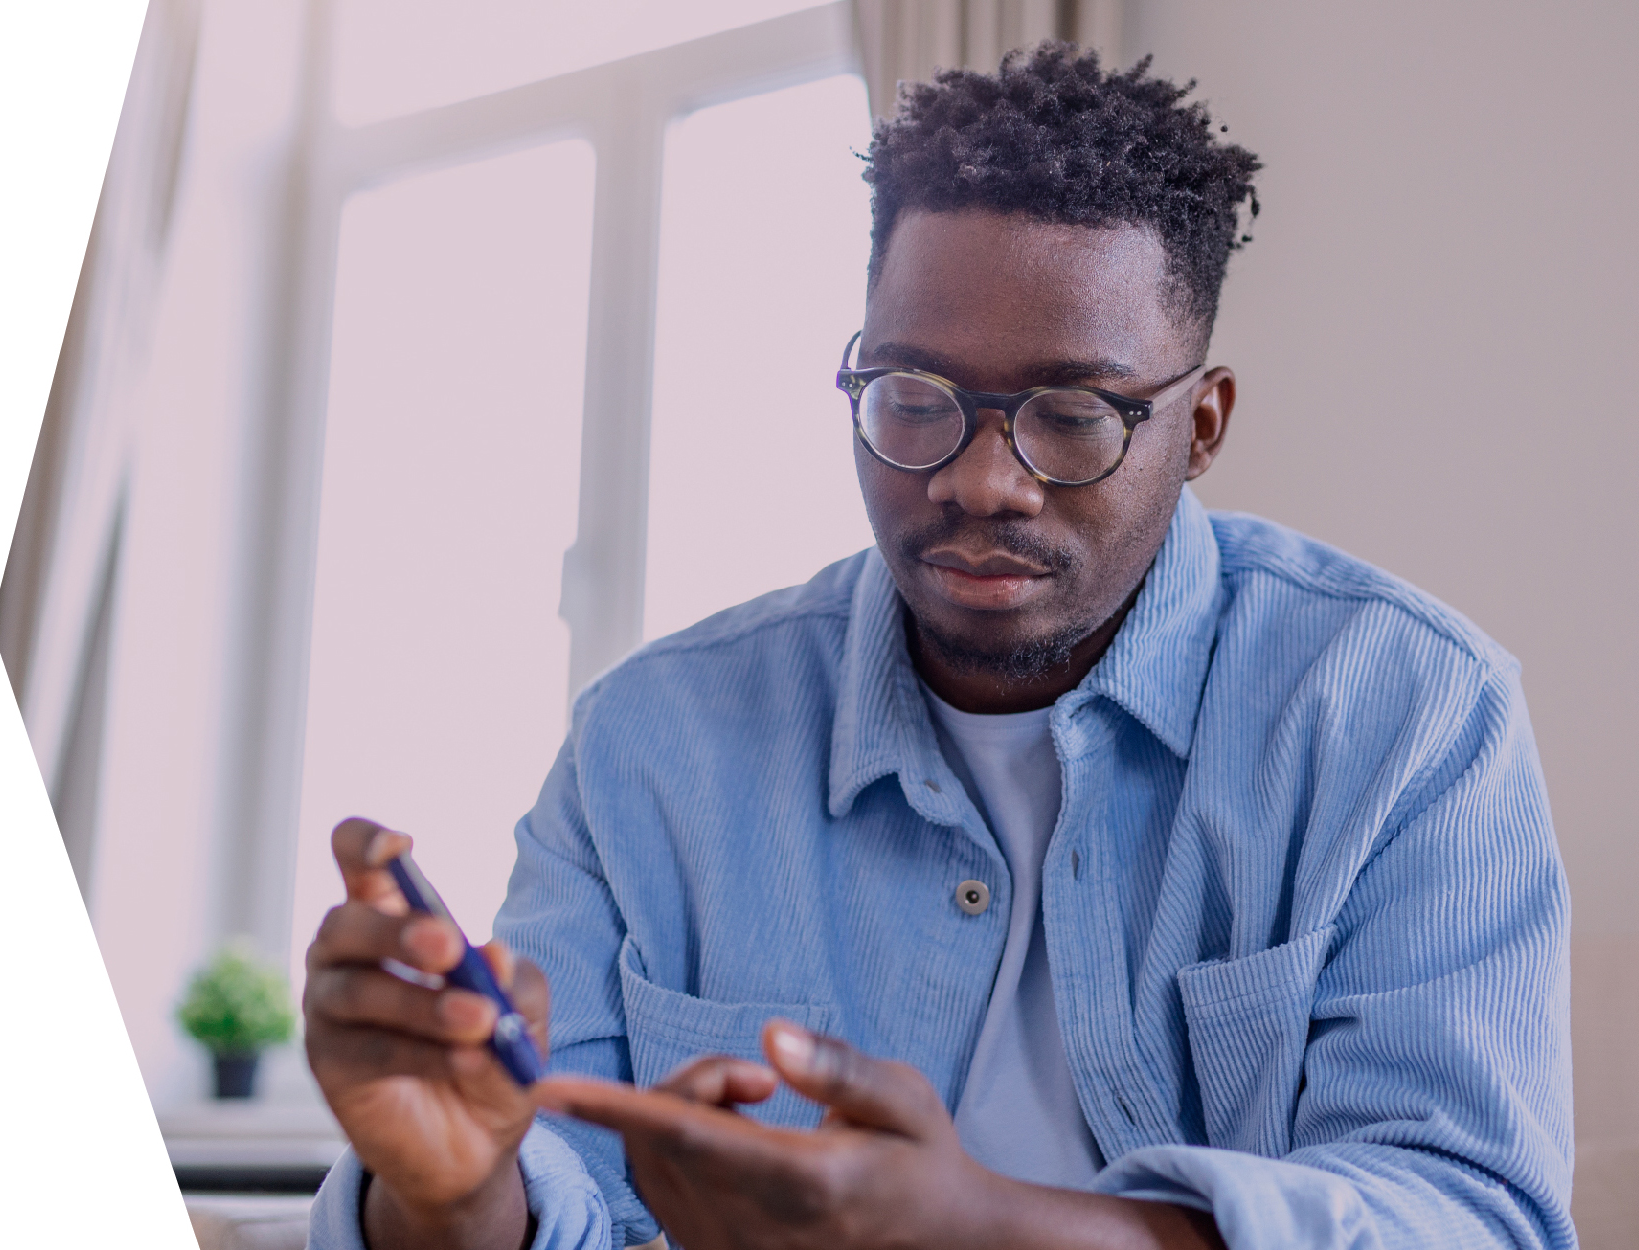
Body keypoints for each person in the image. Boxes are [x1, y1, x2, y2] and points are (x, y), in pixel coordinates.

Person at [303, 45, 1574, 1250]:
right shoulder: (647, 746)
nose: (983, 481)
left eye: (1074, 416)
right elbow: (553, 1177)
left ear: (1203, 426)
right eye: (914, 396)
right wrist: (456, 1191)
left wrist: (986, 1228)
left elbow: (1471, 1213)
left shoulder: (1408, 712)